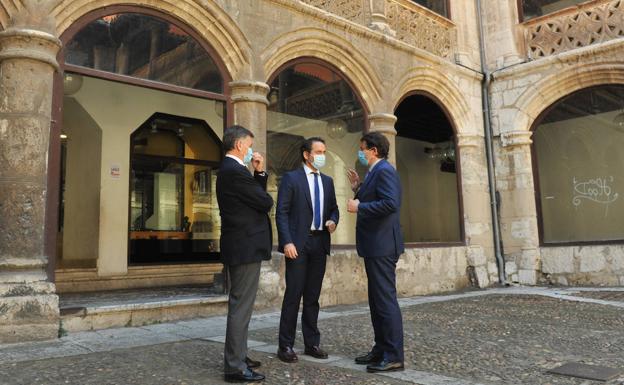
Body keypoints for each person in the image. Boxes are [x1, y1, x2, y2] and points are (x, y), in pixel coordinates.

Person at [216, 125, 273, 383]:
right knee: (241, 307)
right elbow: (264, 202)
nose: (251, 150)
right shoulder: (234, 172)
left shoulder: (233, 171)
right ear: (239, 145)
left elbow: (254, 198)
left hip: (242, 245)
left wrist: (258, 173)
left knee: (243, 307)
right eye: (249, 145)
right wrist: (258, 174)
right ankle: (235, 367)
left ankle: (240, 354)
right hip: (244, 246)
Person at [275, 137, 339, 363]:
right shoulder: (291, 179)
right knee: (293, 295)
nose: (322, 155)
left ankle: (312, 343)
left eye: (324, 151)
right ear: (306, 154)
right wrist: (287, 242)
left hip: (320, 243)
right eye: (318, 151)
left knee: (312, 297)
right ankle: (285, 346)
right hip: (298, 245)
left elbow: (334, 209)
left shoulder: (328, 181)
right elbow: (281, 212)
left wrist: (333, 221)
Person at [346, 132, 405, 373]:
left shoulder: (385, 171)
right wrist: (358, 188)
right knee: (376, 301)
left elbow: (391, 203)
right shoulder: (374, 172)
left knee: (385, 301)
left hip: (382, 246)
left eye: (362, 148)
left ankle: (393, 355)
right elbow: (377, 197)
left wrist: (360, 205)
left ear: (373, 150)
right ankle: (381, 349)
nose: (360, 152)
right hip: (374, 245)